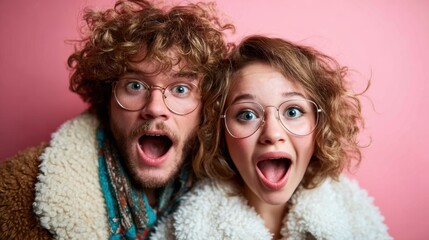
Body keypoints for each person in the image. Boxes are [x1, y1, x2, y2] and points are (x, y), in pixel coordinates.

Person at [0, 0, 233, 239]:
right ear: (107, 97)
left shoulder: (233, 194)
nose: (154, 108)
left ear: (205, 107)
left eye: (181, 89)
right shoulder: (14, 192)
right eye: (134, 85)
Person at [151, 35, 392, 239]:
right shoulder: (183, 229)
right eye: (247, 114)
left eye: (293, 112)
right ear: (220, 131)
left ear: (319, 125)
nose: (272, 134)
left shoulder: (356, 219)